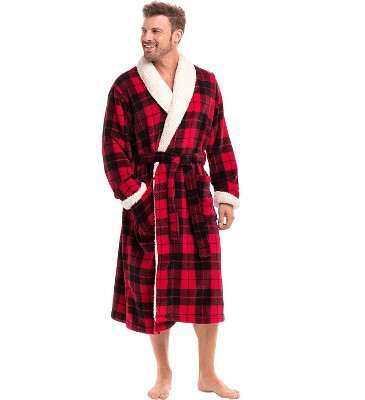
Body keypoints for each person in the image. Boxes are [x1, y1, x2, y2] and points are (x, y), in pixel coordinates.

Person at [101, 2, 240, 399]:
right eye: (144, 31)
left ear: (177, 36)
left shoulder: (206, 83)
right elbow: (113, 149)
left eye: (155, 31)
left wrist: (225, 195)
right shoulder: (126, 86)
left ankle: (207, 374)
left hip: (194, 195)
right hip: (150, 196)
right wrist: (136, 198)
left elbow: (219, 141)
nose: (146, 37)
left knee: (206, 286)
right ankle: (163, 373)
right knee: (153, 285)